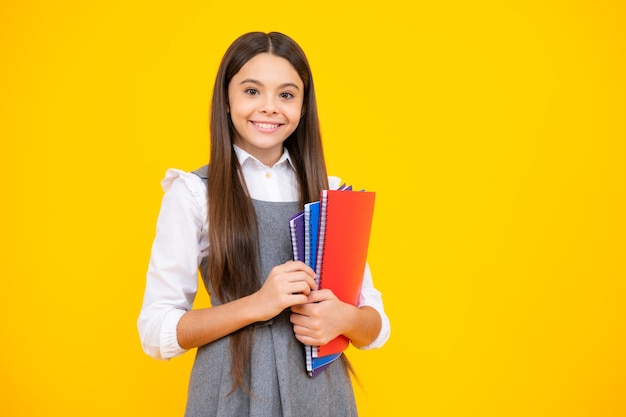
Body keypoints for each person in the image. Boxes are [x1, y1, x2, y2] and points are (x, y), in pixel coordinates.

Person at [137, 31, 390, 417]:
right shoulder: (192, 193)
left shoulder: (332, 193)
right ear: (226, 99)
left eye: (286, 95)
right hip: (230, 393)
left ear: (304, 107)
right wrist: (257, 305)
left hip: (320, 397)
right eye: (252, 91)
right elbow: (156, 331)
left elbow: (375, 326)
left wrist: (345, 318)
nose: (269, 107)